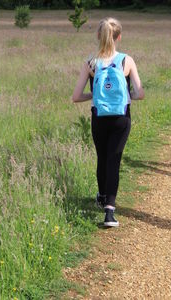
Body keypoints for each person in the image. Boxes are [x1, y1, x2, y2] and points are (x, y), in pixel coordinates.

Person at [72, 17, 144, 227]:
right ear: (119, 37)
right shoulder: (126, 60)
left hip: (99, 117)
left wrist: (94, 95)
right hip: (121, 118)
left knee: (102, 158)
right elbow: (140, 94)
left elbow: (76, 96)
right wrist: (126, 94)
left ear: (98, 36)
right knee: (114, 160)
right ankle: (109, 212)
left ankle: (102, 196)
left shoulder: (90, 63)